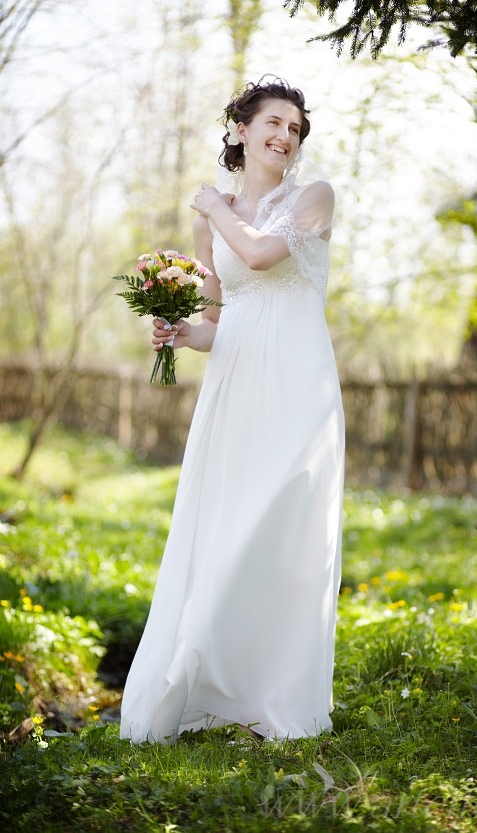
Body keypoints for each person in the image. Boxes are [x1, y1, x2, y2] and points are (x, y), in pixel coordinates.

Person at [119, 77, 345, 743]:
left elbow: (259, 253)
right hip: (235, 380)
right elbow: (217, 317)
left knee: (281, 522)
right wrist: (179, 333)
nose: (284, 137)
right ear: (241, 130)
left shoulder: (312, 198)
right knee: (222, 525)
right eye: (273, 122)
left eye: (295, 129)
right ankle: (208, 680)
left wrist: (214, 207)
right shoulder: (208, 216)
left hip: (298, 380)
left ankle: (278, 695)